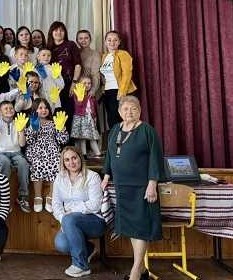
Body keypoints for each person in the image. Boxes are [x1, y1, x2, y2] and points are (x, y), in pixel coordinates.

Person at [101, 96, 163, 280]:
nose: (129, 112)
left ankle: (135, 271)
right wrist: (106, 175)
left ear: (140, 111)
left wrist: (152, 183)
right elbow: (110, 154)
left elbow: (155, 158)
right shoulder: (115, 129)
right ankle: (142, 271)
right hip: (122, 188)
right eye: (126, 109)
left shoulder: (147, 130)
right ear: (120, 112)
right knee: (131, 229)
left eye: (133, 109)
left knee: (141, 228)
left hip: (142, 188)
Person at [53, 146, 106, 278]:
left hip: (95, 221)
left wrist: (70, 214)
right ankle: (89, 249)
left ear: (80, 158)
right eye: (67, 160)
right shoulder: (60, 178)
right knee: (61, 244)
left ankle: (81, 266)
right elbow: (56, 204)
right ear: (63, 163)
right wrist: (63, 220)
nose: (71, 162)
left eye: (74, 158)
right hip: (70, 221)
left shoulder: (92, 176)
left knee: (69, 220)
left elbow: (95, 204)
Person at [24, 98, 69, 213]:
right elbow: (28, 140)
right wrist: (33, 128)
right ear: (35, 110)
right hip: (36, 150)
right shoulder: (32, 122)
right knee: (36, 163)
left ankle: (51, 196)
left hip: (52, 150)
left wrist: (61, 128)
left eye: (46, 108)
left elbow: (63, 140)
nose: (44, 110)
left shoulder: (53, 123)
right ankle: (37, 196)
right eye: (40, 108)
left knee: (57, 163)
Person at [0, 100, 31, 213]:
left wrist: (21, 130)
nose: (9, 110)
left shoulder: (18, 122)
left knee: (24, 163)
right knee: (4, 162)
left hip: (16, 152)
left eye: (11, 108)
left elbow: (22, 144)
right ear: (0, 112)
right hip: (0, 153)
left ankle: (23, 196)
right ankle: (4, 198)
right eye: (5, 108)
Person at [100, 31, 136, 130]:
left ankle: (123, 139)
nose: (112, 42)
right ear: (105, 42)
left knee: (119, 120)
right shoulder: (104, 56)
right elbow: (103, 75)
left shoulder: (123, 54)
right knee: (111, 120)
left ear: (119, 42)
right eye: (109, 40)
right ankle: (115, 139)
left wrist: (122, 92)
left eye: (115, 40)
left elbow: (127, 74)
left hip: (119, 91)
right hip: (108, 92)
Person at [47, 21, 82, 123]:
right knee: (54, 113)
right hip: (53, 85)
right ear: (51, 32)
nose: (59, 32)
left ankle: (68, 134)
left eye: (61, 30)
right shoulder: (47, 47)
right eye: (56, 30)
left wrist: (74, 83)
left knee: (68, 113)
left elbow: (78, 65)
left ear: (65, 32)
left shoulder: (70, 45)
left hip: (68, 83)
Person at [70, 76, 101, 158]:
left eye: (89, 83)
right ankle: (84, 154)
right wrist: (80, 98)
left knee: (92, 136)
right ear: (79, 84)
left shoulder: (91, 95)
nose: (87, 85)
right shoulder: (77, 93)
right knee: (82, 137)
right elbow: (78, 106)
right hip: (81, 117)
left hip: (89, 118)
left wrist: (94, 117)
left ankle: (97, 153)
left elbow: (93, 108)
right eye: (84, 83)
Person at [76, 30, 102, 96]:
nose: (83, 40)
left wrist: (93, 90)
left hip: (89, 90)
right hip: (75, 89)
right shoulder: (74, 53)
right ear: (77, 40)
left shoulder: (95, 54)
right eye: (80, 38)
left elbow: (95, 75)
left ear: (90, 40)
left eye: (86, 38)